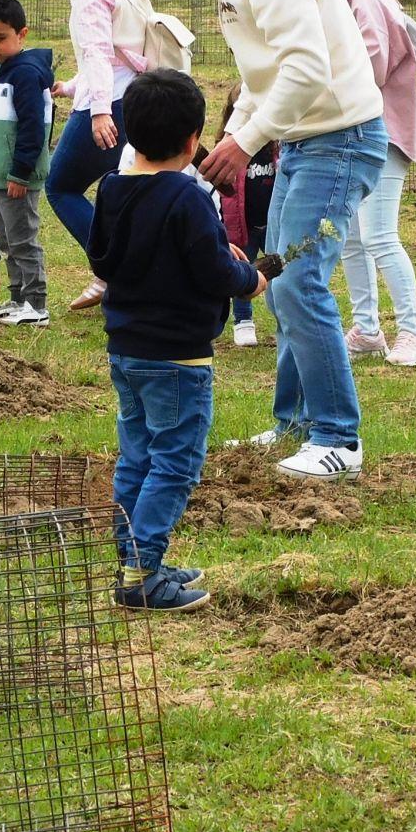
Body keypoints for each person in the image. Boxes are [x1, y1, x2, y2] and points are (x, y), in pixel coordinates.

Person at [177, 0, 387, 482]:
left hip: (341, 139)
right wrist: (236, 132)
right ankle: (295, 422)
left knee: (296, 280)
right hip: (304, 137)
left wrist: (247, 140)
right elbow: (264, 71)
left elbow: (306, 66)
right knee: (284, 274)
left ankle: (338, 439)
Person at [88, 69, 266, 613]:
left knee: (137, 454)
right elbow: (214, 272)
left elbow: (102, 258)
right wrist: (249, 279)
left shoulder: (112, 191)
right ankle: (143, 577)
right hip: (178, 358)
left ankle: (134, 557)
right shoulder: (189, 197)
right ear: (194, 142)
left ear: (128, 130)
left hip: (126, 351)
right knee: (176, 462)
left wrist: (217, 256)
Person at [317, 0, 416, 369]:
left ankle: (415, 333)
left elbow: (372, 65)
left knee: (381, 235)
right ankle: (367, 329)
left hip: (382, 133)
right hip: (367, 130)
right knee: (352, 238)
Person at [43, 0, 159, 311]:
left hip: (110, 103)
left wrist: (97, 112)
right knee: (120, 194)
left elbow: (95, 52)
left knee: (60, 186)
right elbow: (120, 50)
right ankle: (130, 272)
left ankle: (113, 269)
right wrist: (71, 86)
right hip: (139, 96)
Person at [0, 0, 55, 327]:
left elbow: (33, 128)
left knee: (23, 239)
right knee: (6, 240)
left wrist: (20, 172)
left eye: (1, 38)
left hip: (17, 176)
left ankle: (36, 304)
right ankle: (17, 298)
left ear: (22, 34)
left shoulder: (25, 75)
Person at [212, 85, 276, 349]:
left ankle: (285, 315)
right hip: (242, 226)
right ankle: (243, 322)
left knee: (280, 266)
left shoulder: (277, 147)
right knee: (242, 270)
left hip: (271, 224)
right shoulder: (228, 150)